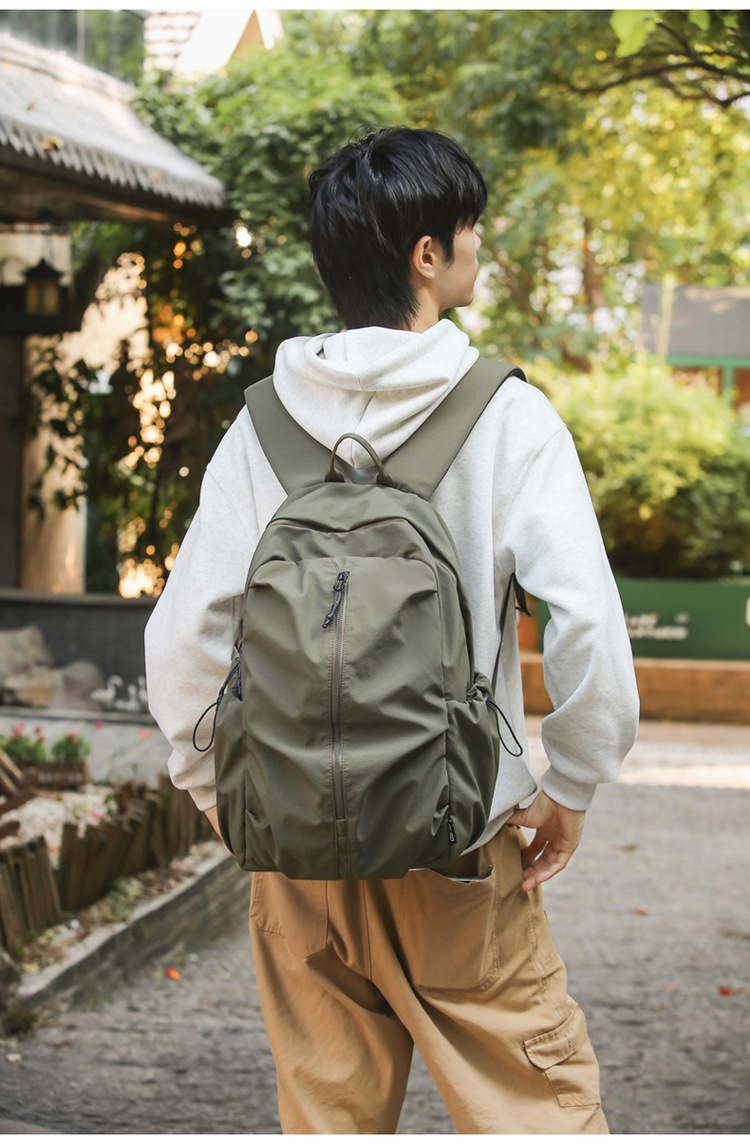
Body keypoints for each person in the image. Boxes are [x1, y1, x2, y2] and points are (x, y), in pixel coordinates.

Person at [145, 126, 639, 1134]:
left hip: (297, 859)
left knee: (328, 1115)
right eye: (468, 228)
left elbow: (185, 636)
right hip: (454, 846)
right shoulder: (508, 418)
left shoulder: (261, 425)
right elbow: (586, 622)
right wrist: (575, 782)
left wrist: (212, 787)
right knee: (537, 1111)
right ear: (426, 254)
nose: (477, 245)